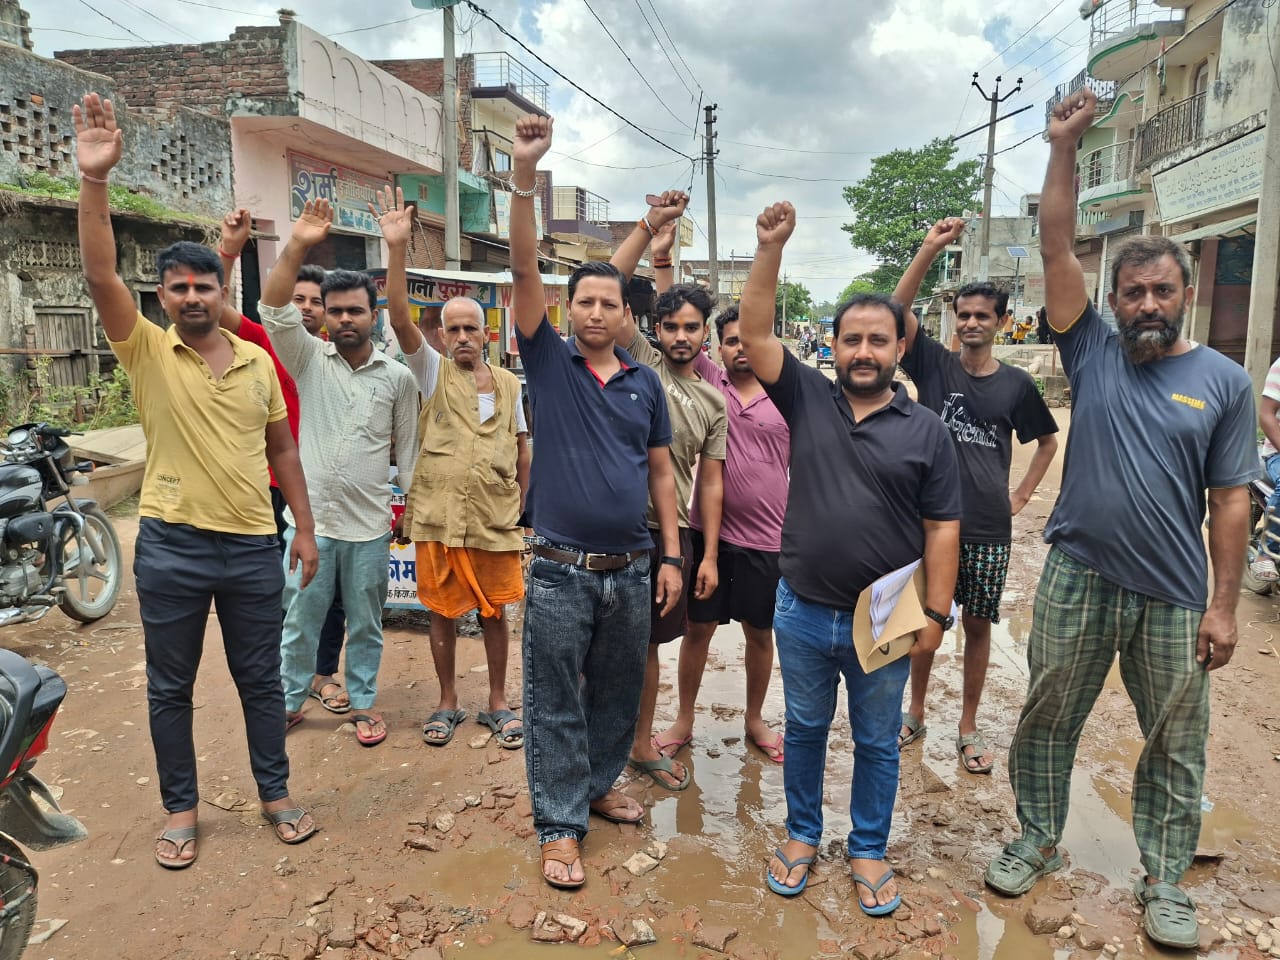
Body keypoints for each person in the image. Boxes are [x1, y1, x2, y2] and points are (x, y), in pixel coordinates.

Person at [983, 87, 1258, 953]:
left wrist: (1224, 606)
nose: (1146, 303)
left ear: (1185, 294)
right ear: (1113, 298)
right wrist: (1063, 146)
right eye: (1132, 291)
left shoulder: (1225, 383)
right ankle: (1036, 837)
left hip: (1174, 593)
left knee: (1176, 738)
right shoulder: (1091, 348)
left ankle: (1165, 880)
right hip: (1077, 572)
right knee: (1047, 716)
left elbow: (1232, 500)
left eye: (1160, 290)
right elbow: (1055, 243)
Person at [73, 93, 320, 868]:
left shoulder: (256, 362)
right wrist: (94, 180)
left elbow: (283, 451)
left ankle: (275, 794)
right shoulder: (148, 351)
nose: (190, 298)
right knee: (170, 688)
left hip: (250, 545)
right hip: (172, 547)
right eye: (177, 288)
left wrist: (305, 528)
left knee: (260, 682)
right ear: (163, 298)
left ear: (221, 292)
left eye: (202, 287)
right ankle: (181, 808)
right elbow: (99, 273)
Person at [737, 201, 961, 913]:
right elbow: (755, 331)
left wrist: (936, 614)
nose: (864, 351)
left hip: (888, 614)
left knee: (877, 740)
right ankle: (802, 835)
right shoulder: (808, 398)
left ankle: (867, 847)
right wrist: (770, 249)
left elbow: (943, 530)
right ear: (832, 347)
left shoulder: (927, 430)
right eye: (852, 340)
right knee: (804, 729)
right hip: (802, 607)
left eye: (878, 340)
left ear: (899, 348)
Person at [509, 114, 683, 889]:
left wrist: (670, 556)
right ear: (567, 310)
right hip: (558, 571)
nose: (595, 313)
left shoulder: (645, 383)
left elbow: (661, 477)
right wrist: (524, 174)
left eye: (609, 303)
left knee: (616, 693)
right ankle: (558, 826)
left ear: (624, 316)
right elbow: (522, 270)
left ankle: (598, 782)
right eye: (583, 302)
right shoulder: (549, 364)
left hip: (632, 568)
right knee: (554, 701)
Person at [892, 223, 1060, 774]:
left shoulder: (1017, 385)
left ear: (1001, 322)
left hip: (988, 526)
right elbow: (896, 311)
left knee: (978, 625)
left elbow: (1047, 442)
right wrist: (929, 248)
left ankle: (967, 725)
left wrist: (1021, 495)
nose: (970, 323)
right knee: (923, 623)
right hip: (927, 522)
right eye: (963, 315)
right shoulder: (933, 365)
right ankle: (915, 712)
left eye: (982, 316)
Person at [368, 186, 531, 750]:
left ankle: (498, 702)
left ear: (487, 334)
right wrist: (395, 249)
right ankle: (446, 702)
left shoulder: (509, 384)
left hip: (494, 520)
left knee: (495, 612)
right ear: (441, 335)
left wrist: (521, 507)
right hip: (438, 518)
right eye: (452, 329)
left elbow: (522, 448)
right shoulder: (432, 372)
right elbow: (398, 318)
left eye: (471, 328)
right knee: (440, 611)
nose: (462, 336)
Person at [258, 198, 420, 748]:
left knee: (367, 624)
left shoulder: (397, 378)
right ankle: (288, 701)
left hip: (370, 527)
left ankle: (364, 703)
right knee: (300, 619)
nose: (345, 319)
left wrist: (410, 509)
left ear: (374, 315)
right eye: (336, 311)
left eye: (356, 310)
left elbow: (408, 450)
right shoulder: (307, 359)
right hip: (312, 525)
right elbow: (272, 307)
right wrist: (299, 242)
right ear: (324, 316)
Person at [644, 222, 790, 765]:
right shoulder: (707, 381)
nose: (740, 348)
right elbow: (675, 321)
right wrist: (662, 260)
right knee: (698, 630)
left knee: (760, 633)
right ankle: (683, 719)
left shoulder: (789, 394)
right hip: (708, 536)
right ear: (717, 346)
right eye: (731, 341)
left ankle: (754, 718)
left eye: (749, 340)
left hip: (767, 540)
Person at [610, 199, 728, 791]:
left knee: (649, 646)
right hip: (611, 528)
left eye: (692, 327)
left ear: (705, 333)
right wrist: (650, 229)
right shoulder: (641, 365)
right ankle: (592, 747)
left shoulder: (713, 400)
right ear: (655, 330)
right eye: (671, 326)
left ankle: (639, 745)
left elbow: (712, 481)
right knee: (598, 645)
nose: (681, 336)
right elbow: (608, 285)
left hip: (669, 536)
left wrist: (707, 556)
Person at [217, 210, 350, 716]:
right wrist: (229, 251)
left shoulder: (341, 355)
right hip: (274, 488)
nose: (309, 308)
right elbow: (215, 308)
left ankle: (323, 674)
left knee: (332, 590)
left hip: (330, 489)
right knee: (277, 586)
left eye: (317, 302)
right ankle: (281, 679)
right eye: (299, 299)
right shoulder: (262, 340)